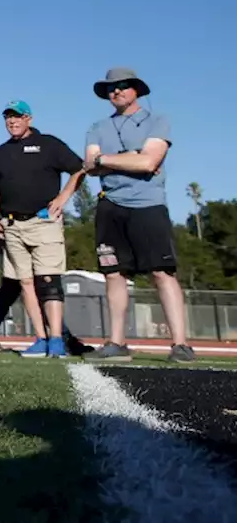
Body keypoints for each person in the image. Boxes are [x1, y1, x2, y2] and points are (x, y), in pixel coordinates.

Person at [83, 68, 194, 363]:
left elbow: (148, 162)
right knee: (114, 274)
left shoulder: (158, 120)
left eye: (122, 86)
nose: (115, 92)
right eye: (110, 88)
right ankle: (116, 342)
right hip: (110, 206)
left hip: (148, 205)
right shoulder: (97, 127)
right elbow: (90, 166)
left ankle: (181, 344)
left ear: (135, 90)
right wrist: (129, 157)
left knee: (162, 272)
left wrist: (106, 159)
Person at [0, 101, 88, 359]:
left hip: (43, 223)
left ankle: (58, 340)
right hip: (12, 226)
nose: (12, 122)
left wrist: (62, 198)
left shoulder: (49, 144)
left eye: (17, 117)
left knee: (49, 282)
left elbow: (79, 168)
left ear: (28, 118)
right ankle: (40, 337)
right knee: (25, 283)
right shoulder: (1, 152)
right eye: (8, 117)